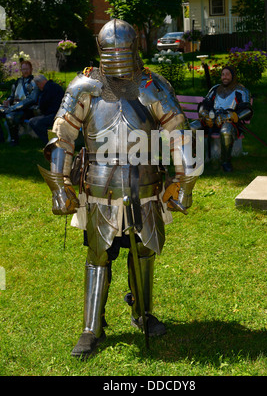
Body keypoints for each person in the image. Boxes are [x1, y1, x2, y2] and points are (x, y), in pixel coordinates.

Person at [39, 19, 200, 359]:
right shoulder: (85, 86)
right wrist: (60, 184)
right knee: (98, 255)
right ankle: (90, 329)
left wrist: (183, 182)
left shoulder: (152, 85)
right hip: (100, 187)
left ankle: (142, 312)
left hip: (146, 185)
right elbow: (61, 137)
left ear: (134, 51)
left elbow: (180, 134)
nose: (117, 59)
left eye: (122, 52)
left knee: (143, 251)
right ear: (101, 52)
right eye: (111, 52)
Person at [197, 66, 253, 172]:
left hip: (229, 123)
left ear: (233, 76)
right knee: (192, 127)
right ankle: (195, 160)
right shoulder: (215, 89)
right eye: (223, 74)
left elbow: (247, 110)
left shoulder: (241, 90)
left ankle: (225, 162)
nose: (224, 77)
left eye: (227, 74)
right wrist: (204, 114)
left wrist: (229, 116)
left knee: (226, 131)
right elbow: (205, 104)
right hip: (212, 121)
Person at [0, 60, 39, 145]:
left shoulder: (33, 82)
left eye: (27, 69)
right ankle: (1, 138)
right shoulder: (17, 81)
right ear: (21, 70)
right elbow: (12, 96)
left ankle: (14, 140)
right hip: (14, 107)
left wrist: (14, 107)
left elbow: (31, 99)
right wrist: (8, 101)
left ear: (31, 69)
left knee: (10, 116)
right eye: (23, 69)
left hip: (26, 109)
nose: (25, 71)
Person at [28, 75, 64, 145]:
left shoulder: (47, 90)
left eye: (37, 85)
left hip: (55, 115)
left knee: (33, 122)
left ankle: (50, 141)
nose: (38, 87)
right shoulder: (54, 86)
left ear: (39, 83)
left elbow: (43, 105)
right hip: (59, 113)